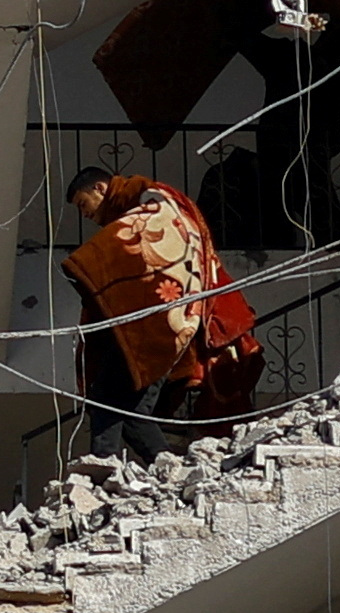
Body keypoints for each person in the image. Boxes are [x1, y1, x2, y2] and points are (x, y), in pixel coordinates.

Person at [61, 167, 263, 461]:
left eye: (83, 203)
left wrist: (86, 265)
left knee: (107, 398)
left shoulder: (155, 199)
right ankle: (163, 466)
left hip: (159, 324)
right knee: (131, 410)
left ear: (101, 189)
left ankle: (104, 467)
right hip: (162, 324)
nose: (85, 214)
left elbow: (154, 241)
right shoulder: (142, 206)